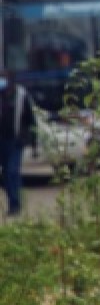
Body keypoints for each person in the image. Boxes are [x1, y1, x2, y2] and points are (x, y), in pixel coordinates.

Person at [0, 70, 37, 216]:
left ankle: (15, 204)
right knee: (6, 174)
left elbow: (31, 120)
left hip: (16, 141)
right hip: (2, 142)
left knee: (12, 171)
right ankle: (12, 202)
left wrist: (34, 143)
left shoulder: (21, 95)